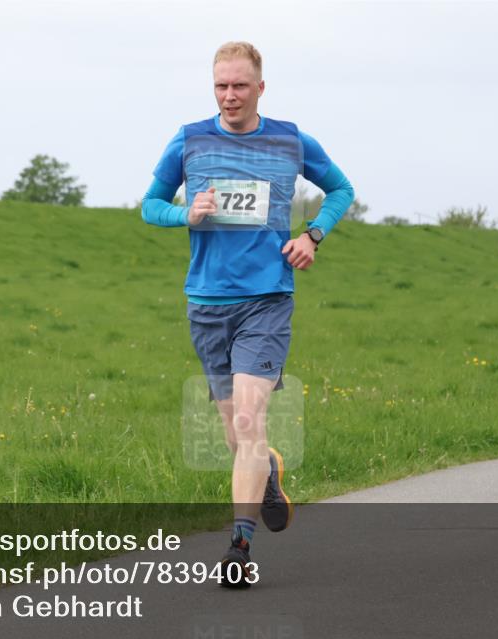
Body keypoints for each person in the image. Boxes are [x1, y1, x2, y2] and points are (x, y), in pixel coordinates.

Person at [140, 41, 354, 588]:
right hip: (207, 305)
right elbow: (150, 205)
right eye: (220, 86)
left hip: (267, 300)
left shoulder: (289, 139)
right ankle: (269, 472)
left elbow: (340, 189)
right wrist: (185, 211)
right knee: (240, 438)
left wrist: (313, 234)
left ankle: (239, 547)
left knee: (246, 421)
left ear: (261, 87)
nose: (229, 95)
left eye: (239, 85)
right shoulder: (189, 140)